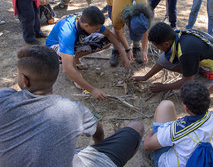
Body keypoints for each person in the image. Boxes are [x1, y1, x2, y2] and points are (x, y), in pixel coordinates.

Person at [0, 45, 144, 167]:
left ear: (24, 80)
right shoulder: (74, 110)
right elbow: (98, 131)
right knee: (137, 127)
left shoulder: (4, 98)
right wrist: (98, 147)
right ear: (55, 77)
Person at [133, 22, 213, 101]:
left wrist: (164, 87)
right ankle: (195, 73)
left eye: (157, 46)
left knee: (189, 96)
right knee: (164, 59)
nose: (158, 49)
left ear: (166, 44)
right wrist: (145, 77)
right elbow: (161, 62)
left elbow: (187, 81)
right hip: (201, 59)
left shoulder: (186, 51)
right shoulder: (176, 36)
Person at [144, 81, 213, 167]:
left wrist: (150, 134)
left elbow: (148, 146)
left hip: (167, 163)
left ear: (186, 108)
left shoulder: (178, 128)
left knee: (165, 105)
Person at [46, 6, 130, 99]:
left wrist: (123, 55)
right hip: (54, 47)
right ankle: (73, 64)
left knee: (105, 41)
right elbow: (66, 69)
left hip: (74, 43)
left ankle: (74, 58)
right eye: (96, 29)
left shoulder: (89, 19)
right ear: (86, 25)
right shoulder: (67, 33)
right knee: (70, 66)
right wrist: (92, 90)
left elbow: (109, 35)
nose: (98, 30)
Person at [105, 0, 153, 66]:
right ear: (127, 22)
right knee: (116, 27)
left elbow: (145, 31)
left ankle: (136, 47)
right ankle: (115, 50)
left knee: (138, 28)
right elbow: (120, 32)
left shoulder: (145, 15)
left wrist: (143, 51)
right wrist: (127, 50)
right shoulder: (118, 15)